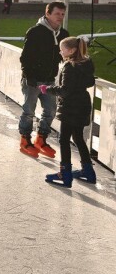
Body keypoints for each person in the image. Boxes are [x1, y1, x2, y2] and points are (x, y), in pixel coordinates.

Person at [41, 37, 96, 187]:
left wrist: (48, 89)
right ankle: (88, 171)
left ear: (71, 51)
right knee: (78, 137)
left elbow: (65, 90)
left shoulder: (69, 66)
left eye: (62, 49)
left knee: (64, 140)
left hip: (71, 107)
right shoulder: (86, 63)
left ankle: (65, 174)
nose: (60, 51)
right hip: (83, 104)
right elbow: (90, 81)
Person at [18, 1, 69, 159]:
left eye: (62, 14)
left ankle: (41, 139)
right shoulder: (35, 32)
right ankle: (25, 141)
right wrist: (28, 76)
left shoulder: (63, 34)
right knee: (28, 112)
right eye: (57, 14)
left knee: (50, 111)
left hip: (50, 81)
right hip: (32, 80)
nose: (60, 17)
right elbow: (25, 57)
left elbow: (67, 55)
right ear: (47, 14)